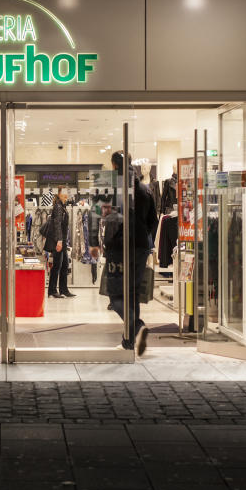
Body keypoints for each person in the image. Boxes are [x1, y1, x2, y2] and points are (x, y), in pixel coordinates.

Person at [93, 152, 157, 356]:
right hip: (140, 247)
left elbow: (99, 217)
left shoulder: (110, 185)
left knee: (115, 294)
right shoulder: (144, 189)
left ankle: (137, 326)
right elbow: (153, 222)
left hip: (119, 247)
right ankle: (128, 342)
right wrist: (145, 242)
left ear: (114, 165)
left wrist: (96, 242)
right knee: (133, 294)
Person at [44, 187, 76, 298]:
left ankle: (63, 289)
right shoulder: (58, 206)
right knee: (57, 265)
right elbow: (57, 224)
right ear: (59, 194)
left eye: (67, 192)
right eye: (64, 193)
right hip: (59, 240)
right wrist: (59, 241)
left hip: (62, 240)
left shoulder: (62, 206)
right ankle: (52, 290)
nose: (66, 195)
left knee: (64, 265)